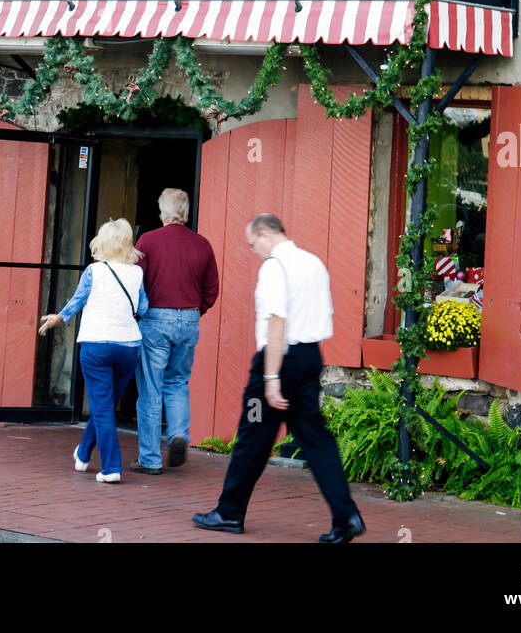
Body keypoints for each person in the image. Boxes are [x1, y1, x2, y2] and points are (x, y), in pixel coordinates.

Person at [193, 212, 365, 543]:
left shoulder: (275, 267)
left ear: (265, 234)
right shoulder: (314, 263)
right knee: (316, 438)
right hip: (310, 358)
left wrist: (271, 378)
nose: (253, 248)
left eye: (252, 241)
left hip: (276, 364)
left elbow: (276, 320)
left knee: (251, 434)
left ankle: (229, 513)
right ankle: (346, 516)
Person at [39, 218, 148, 483]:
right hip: (128, 347)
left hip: (97, 345)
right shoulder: (137, 273)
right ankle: (84, 453)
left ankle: (111, 468)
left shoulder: (94, 271)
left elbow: (78, 300)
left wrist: (58, 318)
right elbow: (143, 308)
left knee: (102, 407)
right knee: (105, 405)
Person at [132, 187, 219, 475]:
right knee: (178, 381)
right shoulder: (202, 244)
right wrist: (196, 311)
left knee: (150, 389)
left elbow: (136, 281)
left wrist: (140, 312)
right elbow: (212, 289)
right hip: (190, 319)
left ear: (162, 210)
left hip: (155, 319)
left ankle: (150, 459)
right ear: (186, 211)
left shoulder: (148, 241)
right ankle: (179, 434)